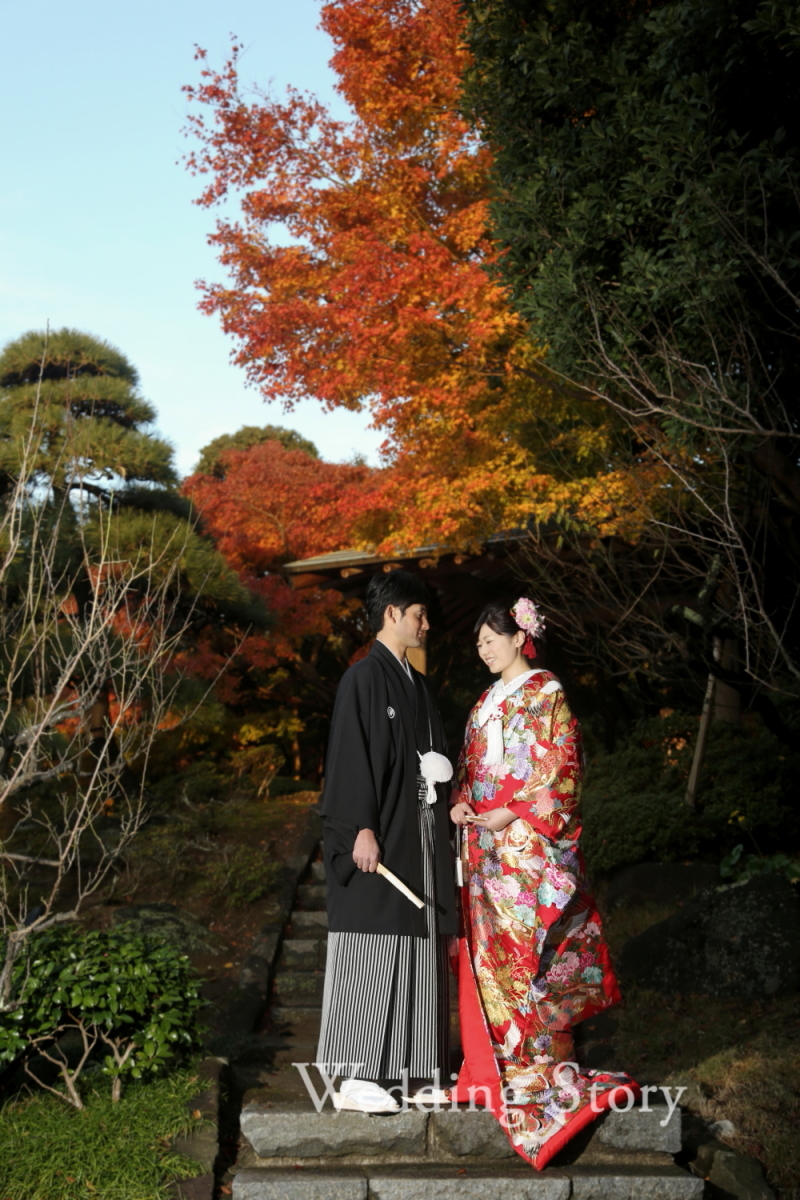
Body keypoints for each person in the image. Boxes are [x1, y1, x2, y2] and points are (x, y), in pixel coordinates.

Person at [449, 598, 638, 1168]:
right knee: (493, 955)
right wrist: (460, 802)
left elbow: (561, 767)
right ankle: (504, 1066)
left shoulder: (546, 692)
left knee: (533, 951)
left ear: (519, 637)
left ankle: (545, 1068)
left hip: (529, 849)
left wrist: (515, 812)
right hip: (485, 851)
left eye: (491, 638)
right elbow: (470, 768)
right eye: (478, 641)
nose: (483, 648)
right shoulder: (484, 703)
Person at [317, 569, 458, 1113]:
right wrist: (360, 828)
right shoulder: (363, 678)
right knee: (372, 941)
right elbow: (350, 756)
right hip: (377, 836)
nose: (426, 623)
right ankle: (355, 1076)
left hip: (419, 834)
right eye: (418, 614)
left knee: (419, 942)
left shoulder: (418, 685)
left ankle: (417, 1071)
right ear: (392, 615)